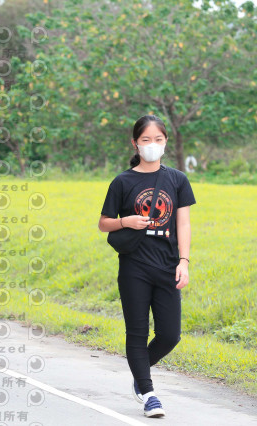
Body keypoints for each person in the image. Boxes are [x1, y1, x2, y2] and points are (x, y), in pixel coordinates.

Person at [98, 115, 195, 418]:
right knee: (137, 332)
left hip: (167, 266)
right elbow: (104, 223)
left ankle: (140, 373)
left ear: (165, 142)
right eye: (146, 140)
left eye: (158, 140)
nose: (152, 145)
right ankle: (149, 393)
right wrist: (126, 221)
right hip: (134, 267)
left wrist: (184, 262)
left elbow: (183, 224)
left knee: (170, 335)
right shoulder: (122, 181)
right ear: (135, 143)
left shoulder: (177, 179)